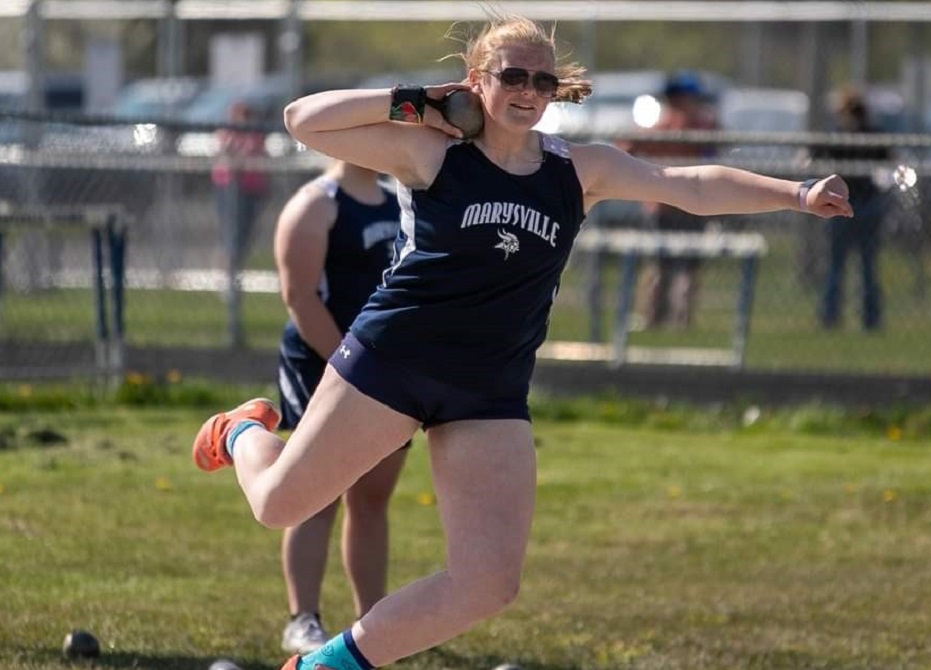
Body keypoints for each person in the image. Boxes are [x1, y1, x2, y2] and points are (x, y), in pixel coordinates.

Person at [190, 14, 852, 670]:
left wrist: (796, 192)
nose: (529, 89)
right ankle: (243, 430)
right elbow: (303, 119)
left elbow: (686, 186)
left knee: (488, 584)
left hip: (488, 386)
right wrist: (416, 101)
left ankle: (322, 667)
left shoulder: (575, 170)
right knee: (279, 506)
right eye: (513, 75)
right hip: (394, 361)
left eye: (543, 78)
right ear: (477, 81)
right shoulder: (432, 152)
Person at [273, 160, 409, 654]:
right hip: (324, 365)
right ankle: (302, 619)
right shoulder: (316, 205)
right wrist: (346, 367)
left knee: (373, 497)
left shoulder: (403, 200)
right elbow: (299, 296)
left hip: (386, 370)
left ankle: (374, 623)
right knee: (316, 494)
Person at [623, 70, 719, 330]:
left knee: (684, 267)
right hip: (665, 206)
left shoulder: (699, 127)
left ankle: (677, 320)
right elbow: (627, 148)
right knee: (662, 266)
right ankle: (659, 318)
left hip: (689, 205)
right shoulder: (670, 125)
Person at [814, 87, 889, 331]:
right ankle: (835, 316)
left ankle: (854, 317)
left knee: (859, 266)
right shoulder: (850, 135)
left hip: (862, 205)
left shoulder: (858, 135)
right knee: (841, 266)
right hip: (845, 205)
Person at [213, 101, 269, 275]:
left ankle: (235, 268)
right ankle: (228, 270)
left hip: (251, 188)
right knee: (231, 230)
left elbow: (256, 153)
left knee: (245, 232)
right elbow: (225, 154)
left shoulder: (254, 133)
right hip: (230, 187)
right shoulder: (227, 132)